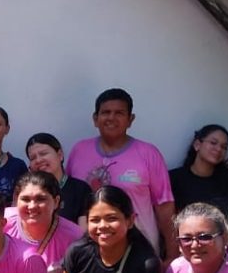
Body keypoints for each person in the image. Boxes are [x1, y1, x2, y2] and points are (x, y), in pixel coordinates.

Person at [65, 88, 177, 258]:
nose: (111, 118)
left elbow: (165, 208)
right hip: (88, 253)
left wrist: (172, 256)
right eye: (106, 112)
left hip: (139, 253)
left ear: (130, 119)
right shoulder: (79, 151)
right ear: (95, 119)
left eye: (119, 113)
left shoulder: (148, 154)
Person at [5, 171, 83, 273]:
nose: (32, 206)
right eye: (25, 199)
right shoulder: (1, 223)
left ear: (56, 202)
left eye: (40, 199)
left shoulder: (74, 237)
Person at [169, 125, 228, 218]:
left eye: (224, 147)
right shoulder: (173, 179)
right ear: (197, 145)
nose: (219, 149)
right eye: (213, 143)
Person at [26, 133, 92, 223]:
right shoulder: (28, 193)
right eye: (33, 158)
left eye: (43, 154)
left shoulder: (81, 189)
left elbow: (83, 232)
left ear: (60, 155)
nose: (38, 160)